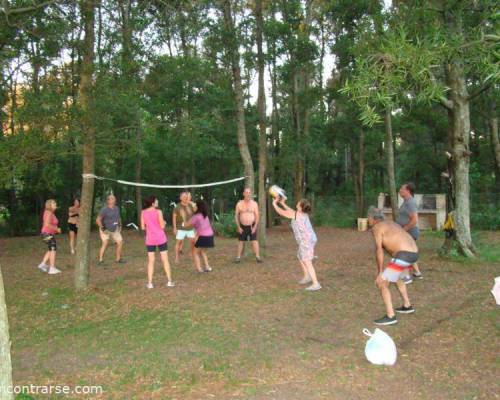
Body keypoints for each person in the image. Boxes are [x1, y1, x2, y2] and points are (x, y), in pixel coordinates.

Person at [367, 206, 417, 326]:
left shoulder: (377, 227)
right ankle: (407, 305)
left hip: (403, 255)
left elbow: (379, 250)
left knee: (382, 283)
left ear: (372, 218)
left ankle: (391, 316)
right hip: (414, 254)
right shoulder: (392, 223)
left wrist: (380, 272)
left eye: (368, 218)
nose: (368, 221)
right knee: (398, 278)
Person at [272, 197, 321, 291]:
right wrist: (282, 203)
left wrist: (274, 204)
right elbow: (291, 211)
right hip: (309, 239)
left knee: (307, 261)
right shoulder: (301, 213)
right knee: (300, 256)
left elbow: (283, 213)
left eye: (299, 202)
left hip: (306, 241)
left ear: (300, 207)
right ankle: (307, 276)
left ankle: (316, 283)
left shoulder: (297, 215)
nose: (298, 202)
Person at [141, 195, 174, 289]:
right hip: (161, 238)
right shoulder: (158, 211)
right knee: (165, 260)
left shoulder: (143, 212)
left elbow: (143, 227)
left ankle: (150, 283)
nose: (157, 202)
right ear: (152, 203)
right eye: (156, 201)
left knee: (151, 261)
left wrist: (151, 227)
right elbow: (162, 226)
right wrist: (164, 222)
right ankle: (169, 281)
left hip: (150, 239)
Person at [396, 182, 423, 283]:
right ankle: (417, 273)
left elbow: (414, 220)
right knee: (409, 253)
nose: (400, 190)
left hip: (410, 232)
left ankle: (406, 277)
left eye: (402, 189)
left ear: (408, 191)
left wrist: (403, 231)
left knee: (403, 253)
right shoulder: (406, 202)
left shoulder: (410, 203)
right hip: (407, 232)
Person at [183, 200, 214, 273]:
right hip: (210, 236)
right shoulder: (204, 215)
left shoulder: (196, 216)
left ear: (198, 207)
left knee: (195, 252)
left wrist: (182, 222)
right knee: (203, 251)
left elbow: (186, 224)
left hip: (203, 237)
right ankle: (207, 267)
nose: (194, 207)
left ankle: (199, 269)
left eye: (195, 206)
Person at [234, 188, 262, 263]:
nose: (248, 194)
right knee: (241, 241)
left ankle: (258, 257)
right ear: (243, 194)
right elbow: (236, 216)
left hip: (252, 226)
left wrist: (255, 226)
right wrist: (238, 227)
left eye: (249, 193)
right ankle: (238, 257)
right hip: (242, 226)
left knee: (254, 241)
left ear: (251, 194)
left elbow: (257, 216)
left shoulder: (254, 204)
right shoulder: (239, 204)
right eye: (246, 192)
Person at [96, 194, 125, 265]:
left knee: (120, 242)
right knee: (105, 243)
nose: (113, 200)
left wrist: (120, 225)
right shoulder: (104, 209)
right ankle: (100, 260)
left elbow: (118, 218)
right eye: (111, 199)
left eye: (114, 199)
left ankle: (118, 259)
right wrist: (102, 227)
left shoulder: (117, 208)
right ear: (108, 201)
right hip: (105, 229)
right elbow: (97, 220)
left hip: (114, 229)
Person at [37, 199, 62, 274]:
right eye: (53, 203)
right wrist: (56, 229)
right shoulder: (48, 213)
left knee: (51, 249)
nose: (55, 204)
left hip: (47, 234)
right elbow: (46, 224)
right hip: (46, 234)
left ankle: (43, 264)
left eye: (55, 202)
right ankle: (52, 268)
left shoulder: (51, 213)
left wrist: (55, 229)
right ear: (49, 205)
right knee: (53, 249)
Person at [172, 191, 196, 264]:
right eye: (183, 196)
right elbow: (174, 217)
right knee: (178, 243)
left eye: (186, 196)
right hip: (180, 228)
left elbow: (196, 211)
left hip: (190, 228)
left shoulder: (190, 205)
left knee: (193, 242)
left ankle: (191, 254)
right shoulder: (178, 207)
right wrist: (175, 228)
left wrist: (193, 205)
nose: (185, 197)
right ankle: (176, 257)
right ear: (180, 198)